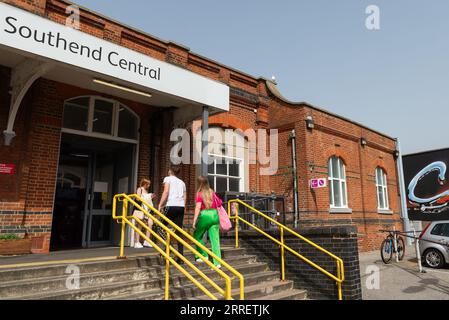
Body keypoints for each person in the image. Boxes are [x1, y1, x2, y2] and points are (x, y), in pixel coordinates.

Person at [158, 166, 186, 263]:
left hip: (171, 206)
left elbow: (166, 192)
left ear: (170, 171)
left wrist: (160, 205)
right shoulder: (182, 183)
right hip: (181, 207)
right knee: (178, 231)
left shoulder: (168, 178)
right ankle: (181, 258)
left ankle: (168, 247)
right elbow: (185, 198)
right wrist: (182, 206)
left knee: (159, 226)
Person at [192, 176, 222, 268]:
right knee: (215, 240)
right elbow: (219, 203)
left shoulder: (199, 194)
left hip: (205, 215)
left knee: (197, 235)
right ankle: (217, 263)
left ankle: (202, 255)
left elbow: (197, 207)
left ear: (199, 184)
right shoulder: (212, 192)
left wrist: (194, 221)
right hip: (215, 215)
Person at [132, 178, 155, 249]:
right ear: (144, 184)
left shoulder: (147, 191)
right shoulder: (140, 189)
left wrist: (151, 197)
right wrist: (147, 197)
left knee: (150, 224)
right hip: (141, 209)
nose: (149, 186)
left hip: (148, 210)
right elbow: (138, 199)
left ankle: (147, 241)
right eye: (148, 184)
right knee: (139, 225)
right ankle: (137, 242)